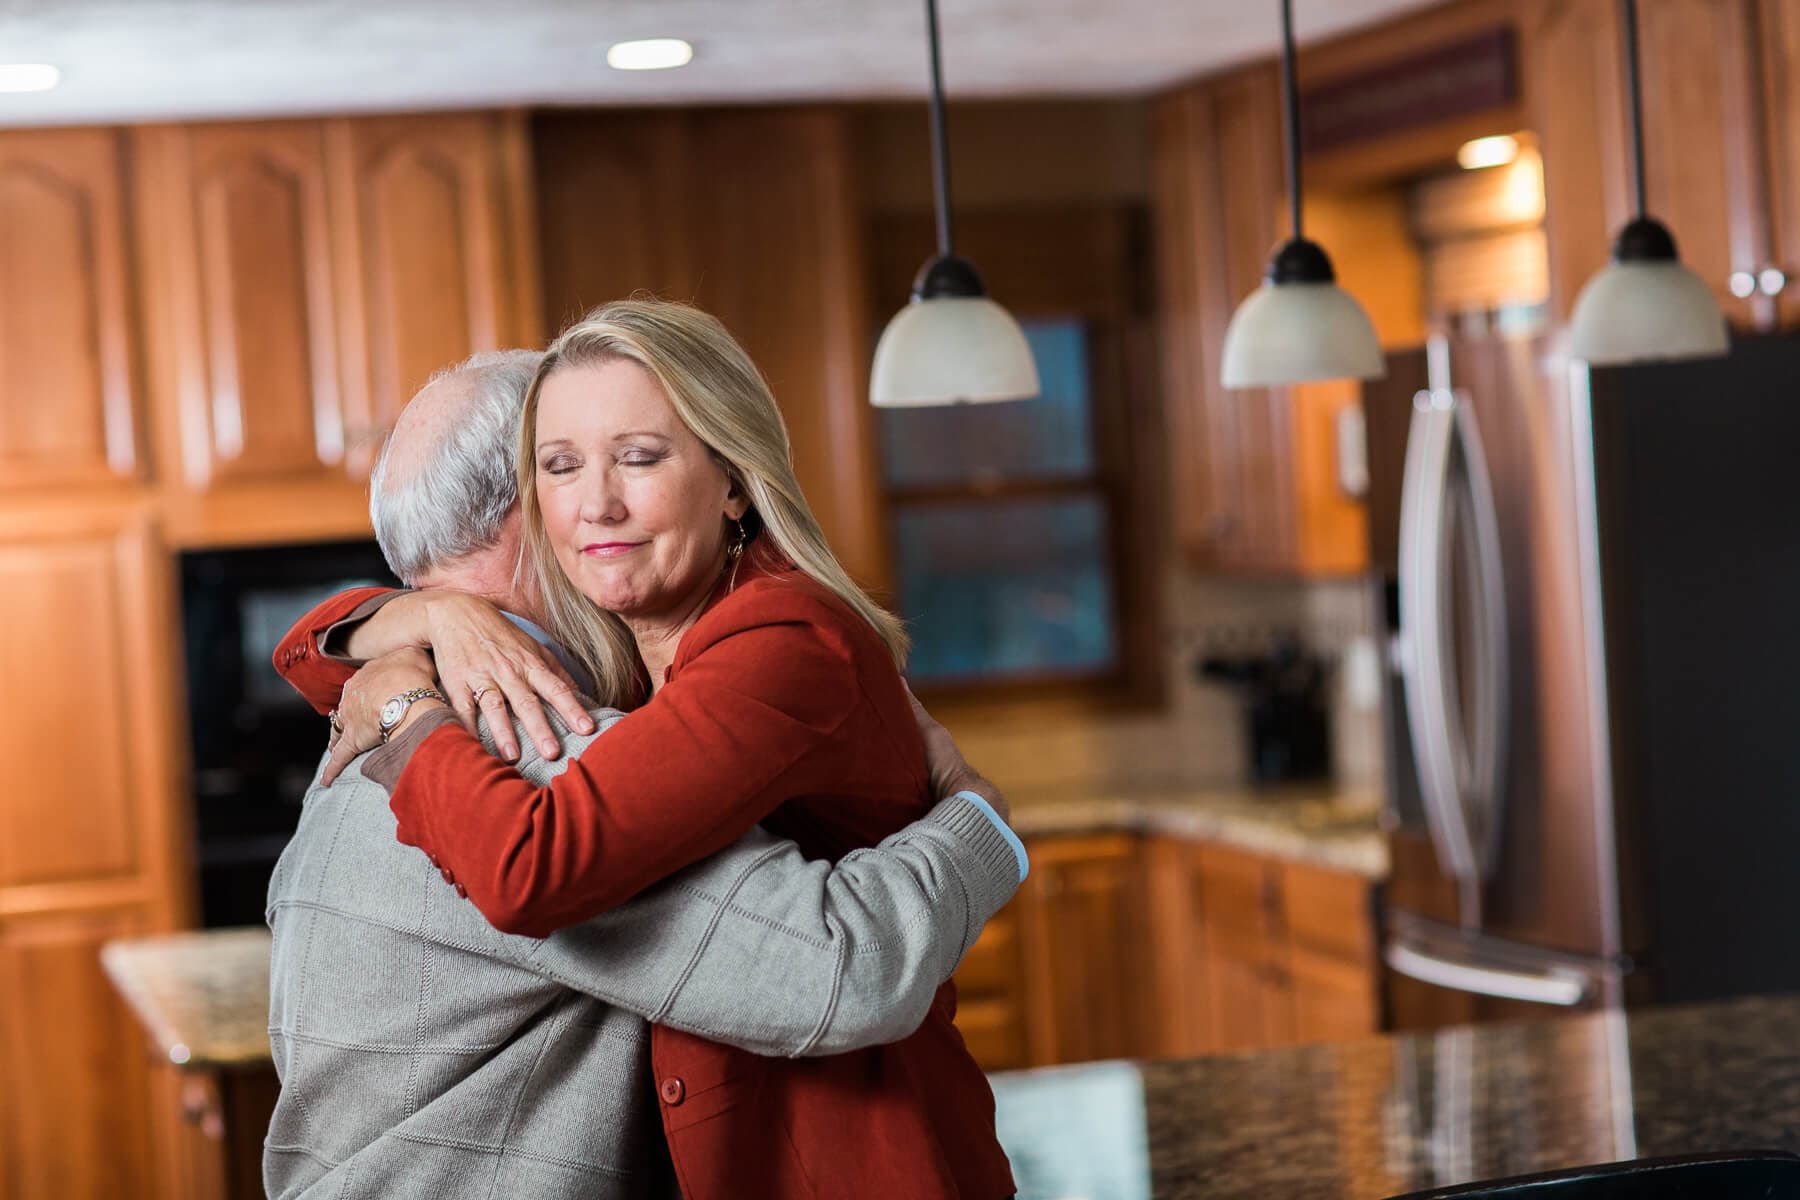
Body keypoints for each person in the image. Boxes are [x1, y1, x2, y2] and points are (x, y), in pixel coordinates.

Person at [275, 303, 1019, 1198]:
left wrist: (404, 688)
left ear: (731, 480)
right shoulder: (531, 729)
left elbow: (845, 971)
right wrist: (979, 819)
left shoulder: (378, 739)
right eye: (562, 466)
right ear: (532, 512)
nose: (597, 504)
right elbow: (843, 968)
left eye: (636, 457)